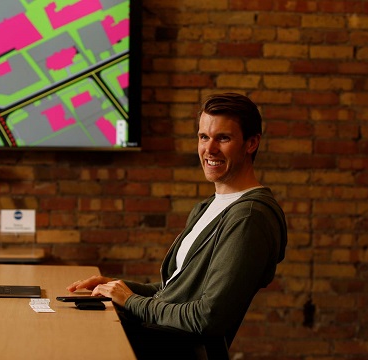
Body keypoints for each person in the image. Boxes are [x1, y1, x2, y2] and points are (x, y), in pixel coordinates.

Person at [66, 93, 287, 358]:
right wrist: (117, 287)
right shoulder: (208, 206)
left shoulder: (250, 217)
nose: (210, 149)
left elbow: (208, 318)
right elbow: (171, 292)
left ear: (251, 143)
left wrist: (131, 300)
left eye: (223, 138)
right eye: (203, 137)